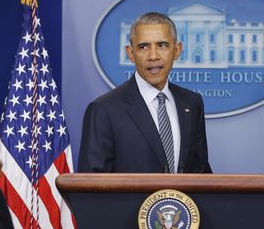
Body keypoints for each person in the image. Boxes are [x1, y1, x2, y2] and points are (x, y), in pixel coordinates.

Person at [78, 12, 211, 174]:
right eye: (143, 47)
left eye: (162, 45)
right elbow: (91, 187)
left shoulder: (192, 103)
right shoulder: (104, 110)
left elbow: (201, 173)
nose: (153, 56)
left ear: (177, 50)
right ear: (131, 53)